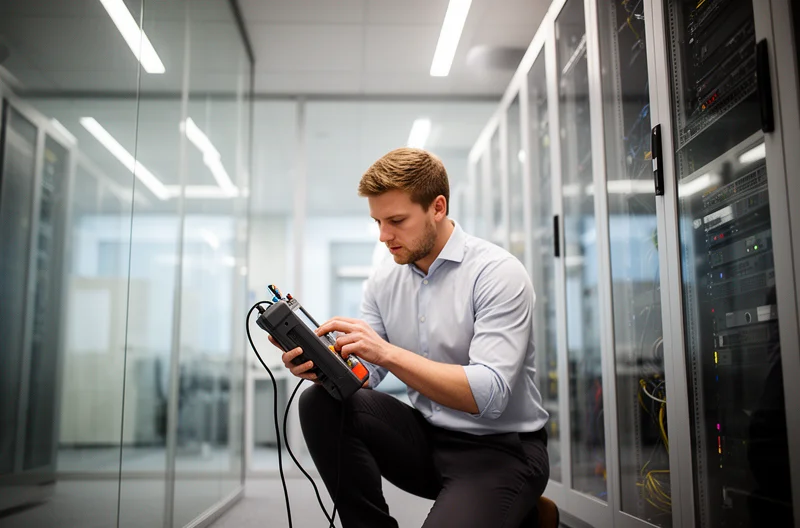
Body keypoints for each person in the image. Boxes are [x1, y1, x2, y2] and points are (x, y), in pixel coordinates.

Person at [273, 147, 549, 528]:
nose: (385, 236)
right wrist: (321, 366)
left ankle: (523, 511)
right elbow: (365, 374)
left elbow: (489, 395)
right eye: (378, 222)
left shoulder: (497, 273)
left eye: (397, 220)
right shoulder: (384, 280)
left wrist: (387, 353)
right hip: (427, 442)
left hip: (501, 451)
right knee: (319, 401)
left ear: (437, 207)